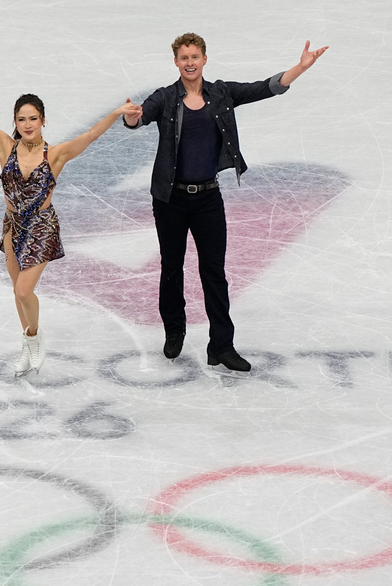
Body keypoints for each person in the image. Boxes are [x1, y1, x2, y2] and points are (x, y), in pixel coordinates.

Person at [123, 33, 328, 373]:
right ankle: (174, 331)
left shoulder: (221, 93)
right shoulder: (165, 98)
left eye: (195, 56)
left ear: (204, 59)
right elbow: (138, 118)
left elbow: (265, 88)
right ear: (176, 62)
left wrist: (300, 68)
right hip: (170, 200)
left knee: (214, 273)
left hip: (208, 199)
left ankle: (221, 345)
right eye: (184, 57)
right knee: (171, 268)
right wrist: (132, 116)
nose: (190, 62)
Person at [0, 57, 141, 376]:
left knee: (24, 291)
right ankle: (27, 344)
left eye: (34, 119)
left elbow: (90, 136)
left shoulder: (54, 155)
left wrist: (114, 114)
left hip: (41, 227)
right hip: (13, 228)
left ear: (43, 121)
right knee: (17, 292)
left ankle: (34, 337)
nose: (28, 124)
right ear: (16, 121)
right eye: (22, 119)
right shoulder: (5, 147)